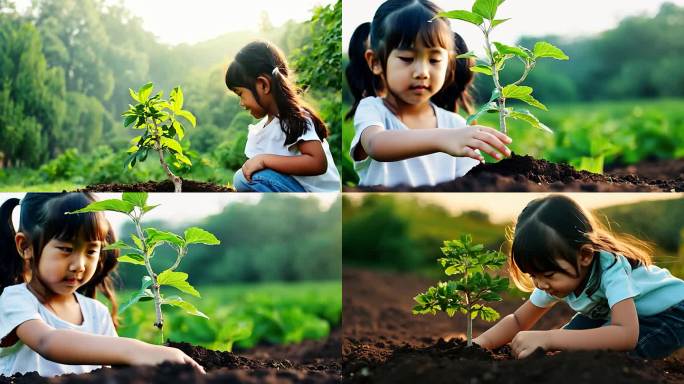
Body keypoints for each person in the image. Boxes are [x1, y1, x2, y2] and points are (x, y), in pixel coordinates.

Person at [0, 193, 205, 376]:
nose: (79, 265)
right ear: (25, 246)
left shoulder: (96, 312)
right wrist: (139, 350)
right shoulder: (16, 299)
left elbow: (111, 371)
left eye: (90, 251)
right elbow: (47, 342)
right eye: (65, 249)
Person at [473, 195, 684, 359]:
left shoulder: (610, 268)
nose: (540, 284)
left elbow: (626, 335)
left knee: (611, 358)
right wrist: (478, 345)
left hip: (672, 312)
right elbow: (519, 320)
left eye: (547, 274)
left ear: (584, 255)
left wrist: (548, 337)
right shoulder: (556, 276)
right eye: (533, 275)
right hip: (615, 315)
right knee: (564, 350)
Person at [346, 0, 512, 188]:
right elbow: (375, 145)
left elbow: (468, 184)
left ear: (448, 64)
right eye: (407, 58)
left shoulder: (455, 125)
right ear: (375, 62)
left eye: (434, 60)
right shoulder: (373, 109)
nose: (422, 72)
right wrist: (444, 139)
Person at [225, 41, 341, 192]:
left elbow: (318, 163)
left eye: (240, 94)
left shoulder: (295, 118)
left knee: (242, 178)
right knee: (246, 177)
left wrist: (264, 160)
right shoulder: (265, 128)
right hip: (294, 190)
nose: (241, 103)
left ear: (263, 85)